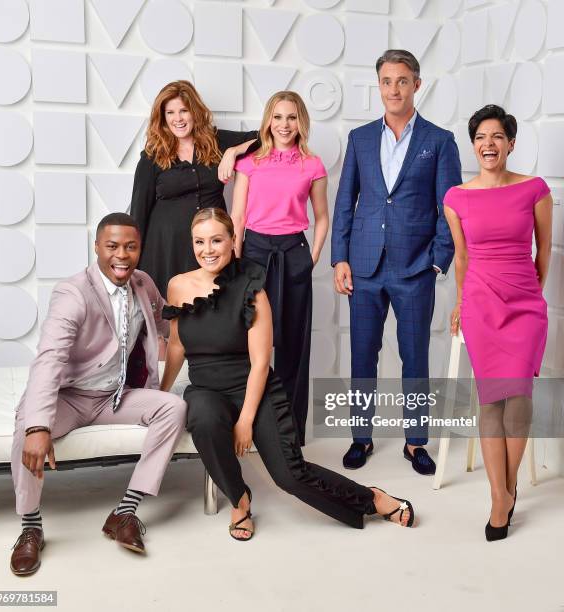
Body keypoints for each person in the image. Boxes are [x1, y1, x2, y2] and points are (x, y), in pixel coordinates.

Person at [160, 207, 415, 541]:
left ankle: (372, 498)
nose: (208, 249)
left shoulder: (253, 288)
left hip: (255, 386)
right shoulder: (178, 286)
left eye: (217, 240)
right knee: (204, 419)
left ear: (233, 240)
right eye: (200, 242)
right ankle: (239, 500)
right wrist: (161, 395)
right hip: (207, 389)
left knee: (289, 476)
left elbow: (260, 361)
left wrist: (246, 420)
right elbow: (177, 344)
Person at [9, 213, 187, 576]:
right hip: (70, 396)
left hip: (115, 395)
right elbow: (50, 357)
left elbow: (164, 328)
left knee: (174, 407)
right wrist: (39, 426)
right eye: (112, 246)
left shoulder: (144, 284)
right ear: (96, 248)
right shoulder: (72, 293)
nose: (121, 255)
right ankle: (31, 526)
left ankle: (125, 511)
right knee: (26, 426)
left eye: (130, 247)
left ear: (140, 249)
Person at [331, 49, 462, 473]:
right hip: (364, 265)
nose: (393, 89)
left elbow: (450, 206)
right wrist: (339, 259)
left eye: (402, 81)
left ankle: (415, 442)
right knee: (362, 355)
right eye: (387, 81)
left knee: (416, 356)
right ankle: (361, 438)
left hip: (415, 267)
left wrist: (438, 261)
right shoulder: (361, 139)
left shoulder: (439, 141)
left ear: (416, 85)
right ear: (379, 86)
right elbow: (345, 203)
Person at [443, 104, 552, 541]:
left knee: (519, 394)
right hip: (481, 304)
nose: (488, 144)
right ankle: (499, 495)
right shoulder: (457, 197)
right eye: (480, 138)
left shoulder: (535, 190)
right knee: (491, 400)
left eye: (496, 136)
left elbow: (544, 251)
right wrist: (460, 302)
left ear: (510, 142)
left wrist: (532, 294)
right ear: (474, 146)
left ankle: (506, 490)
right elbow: (463, 259)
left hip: (525, 304)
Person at [231, 91, 329, 445]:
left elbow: (321, 218)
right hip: (254, 252)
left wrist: (312, 258)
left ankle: (289, 433)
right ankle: (247, 424)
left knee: (292, 344)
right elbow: (238, 217)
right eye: (278, 117)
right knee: (249, 341)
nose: (284, 125)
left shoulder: (313, 165)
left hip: (293, 252)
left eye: (291, 117)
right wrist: (235, 263)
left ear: (300, 121)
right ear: (268, 121)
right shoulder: (250, 162)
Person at [130, 80, 258, 297]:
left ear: (195, 112)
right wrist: (133, 265)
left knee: (211, 309)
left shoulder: (217, 141)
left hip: (211, 246)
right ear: (163, 117)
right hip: (165, 249)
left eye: (183, 110)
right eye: (170, 112)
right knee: (169, 315)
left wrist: (233, 152)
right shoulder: (152, 157)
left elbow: (266, 137)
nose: (177, 119)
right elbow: (138, 214)